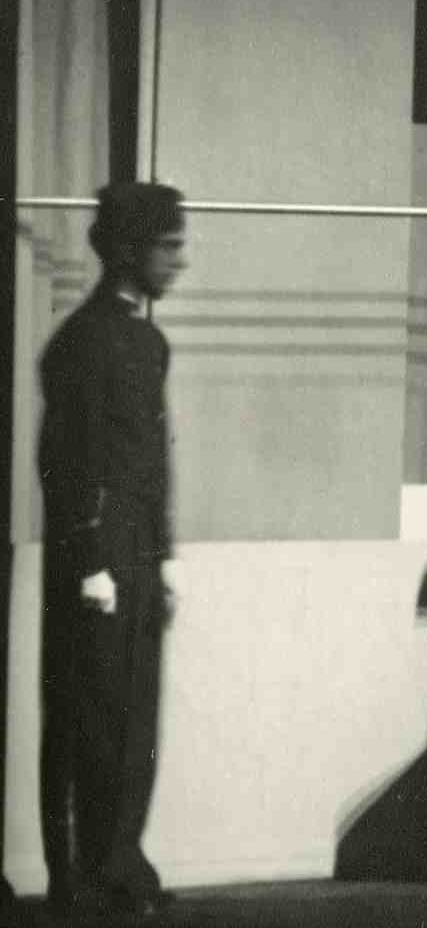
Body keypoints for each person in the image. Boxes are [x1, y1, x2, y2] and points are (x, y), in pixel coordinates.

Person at [38, 182, 187, 917]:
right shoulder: (83, 342)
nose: (178, 262)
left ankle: (121, 862)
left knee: (134, 718)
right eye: (167, 246)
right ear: (128, 250)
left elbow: (151, 461)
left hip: (138, 553)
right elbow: (65, 459)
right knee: (86, 719)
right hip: (94, 555)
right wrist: (92, 560)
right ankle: (77, 879)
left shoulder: (148, 343)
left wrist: (164, 554)